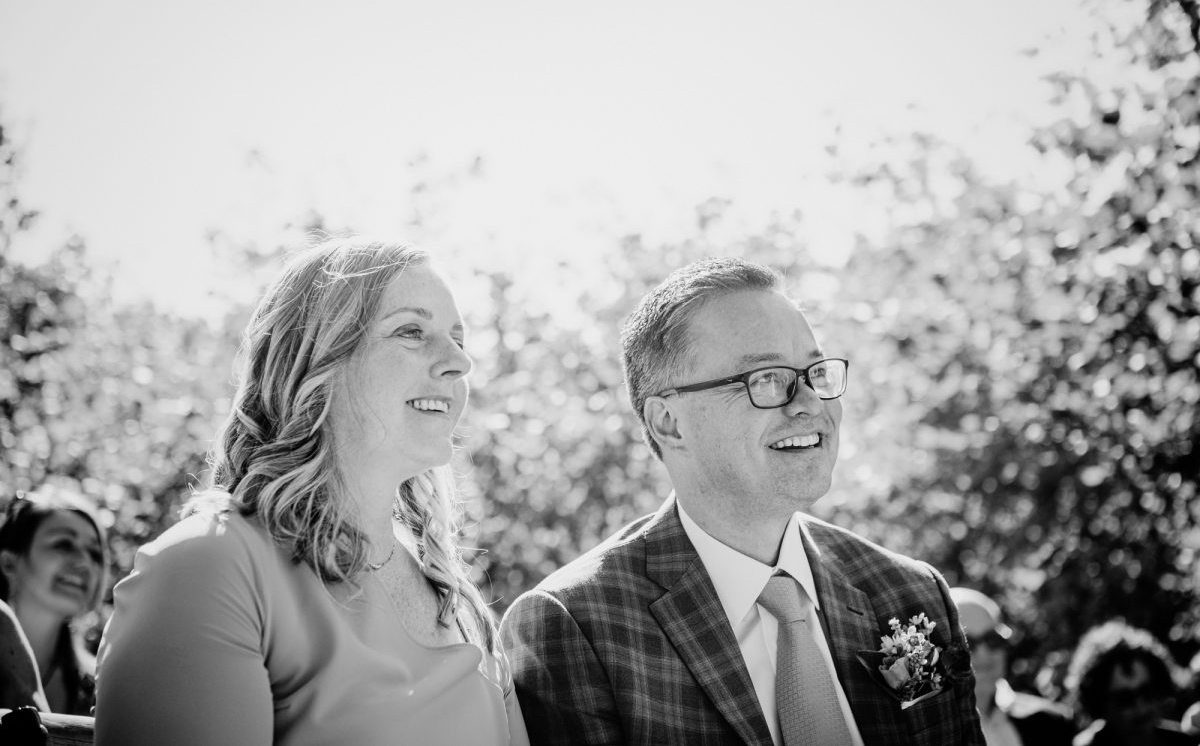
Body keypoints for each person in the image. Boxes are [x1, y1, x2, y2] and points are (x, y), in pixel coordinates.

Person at [500, 257, 985, 746]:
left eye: (815, 372)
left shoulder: (909, 592)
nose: (810, 403)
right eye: (767, 379)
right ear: (669, 422)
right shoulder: (576, 626)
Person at [94, 237, 529, 746]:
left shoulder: (459, 601)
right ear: (317, 361)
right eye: (412, 331)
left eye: (458, 338)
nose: (459, 361)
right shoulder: (208, 567)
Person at [0, 488, 108, 715]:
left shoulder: (103, 688)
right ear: (9, 563)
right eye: (64, 544)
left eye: (95, 554)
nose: (84, 563)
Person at [950, 586, 1076, 745]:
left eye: (992, 639)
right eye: (966, 643)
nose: (983, 653)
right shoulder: (921, 734)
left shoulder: (1051, 723)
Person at [1065, 620, 1195, 746]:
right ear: (1100, 703)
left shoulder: (1181, 742)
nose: (1140, 708)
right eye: (1125, 699)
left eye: (1146, 693)